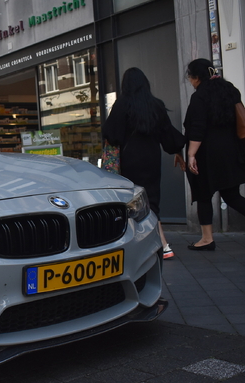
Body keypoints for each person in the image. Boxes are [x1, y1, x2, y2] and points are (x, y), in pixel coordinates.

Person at [103, 67, 186, 259]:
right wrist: (178, 151)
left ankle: (155, 244)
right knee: (152, 201)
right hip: (151, 159)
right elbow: (169, 135)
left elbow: (111, 134)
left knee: (132, 202)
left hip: (129, 160)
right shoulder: (155, 105)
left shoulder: (122, 104)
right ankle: (161, 244)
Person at [184, 58, 245, 250]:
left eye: (189, 76)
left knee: (203, 195)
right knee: (232, 195)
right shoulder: (229, 90)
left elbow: (198, 128)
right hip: (231, 151)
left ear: (196, 77)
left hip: (207, 154)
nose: (189, 81)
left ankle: (207, 239)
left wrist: (191, 155)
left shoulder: (200, 96)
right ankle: (206, 239)